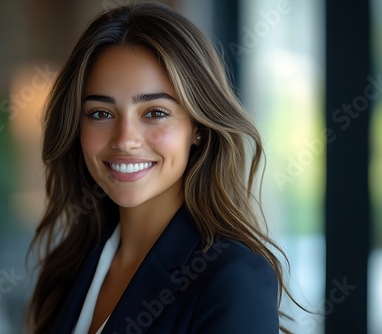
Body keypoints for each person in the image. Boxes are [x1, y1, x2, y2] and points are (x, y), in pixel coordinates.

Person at [27, 2, 294, 333]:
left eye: (154, 112)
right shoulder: (71, 265)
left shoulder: (232, 278)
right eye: (100, 113)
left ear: (197, 126)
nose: (125, 140)